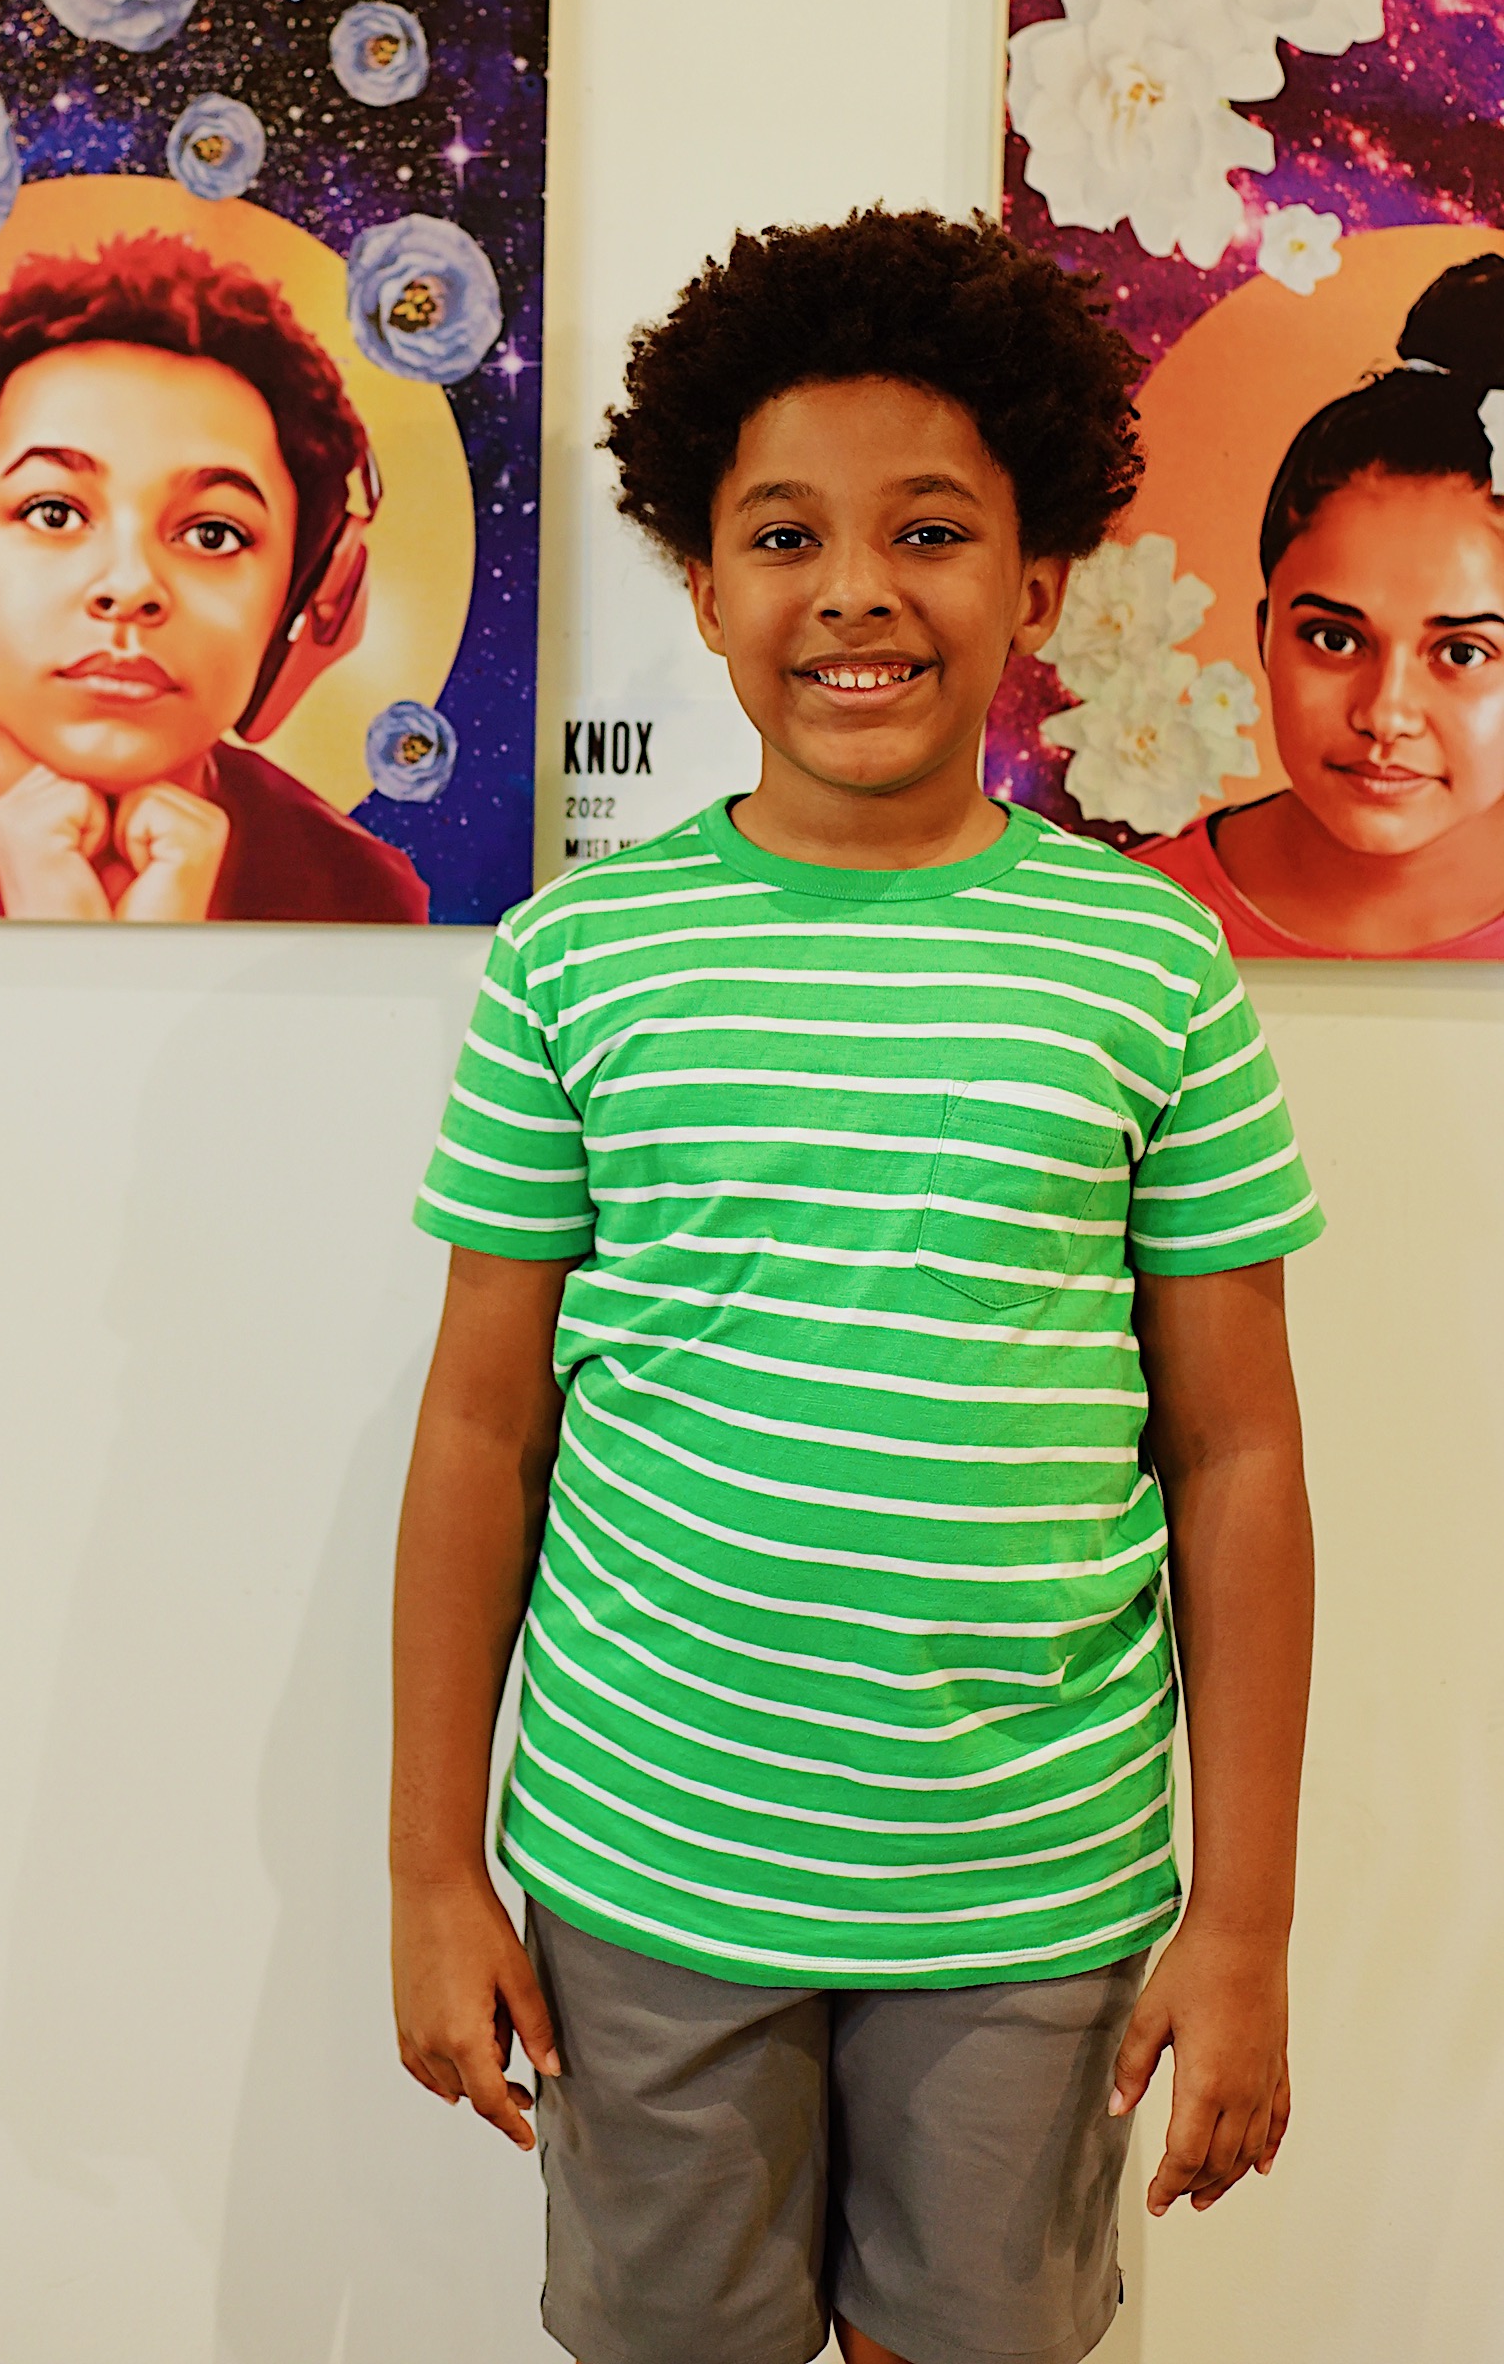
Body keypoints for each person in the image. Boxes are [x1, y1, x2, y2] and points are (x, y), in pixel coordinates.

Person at [390, 209, 1321, 2364]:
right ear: (704, 585)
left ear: (1038, 578)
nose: (856, 590)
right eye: (784, 536)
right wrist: (432, 1869)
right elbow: (481, 1423)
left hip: (1028, 1884)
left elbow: (1238, 1450)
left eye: (930, 530)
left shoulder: (1149, 962)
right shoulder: (577, 960)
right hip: (647, 1858)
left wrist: (1245, 1918)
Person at [0, 231, 429, 923]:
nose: (130, 588)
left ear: (314, 593)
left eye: (212, 534)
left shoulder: (366, 894)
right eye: (53, 513)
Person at [1138, 252, 1504, 957]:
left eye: (1462, 652)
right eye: (1335, 639)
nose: (1385, 716)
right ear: (1264, 635)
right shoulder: (1130, 927)